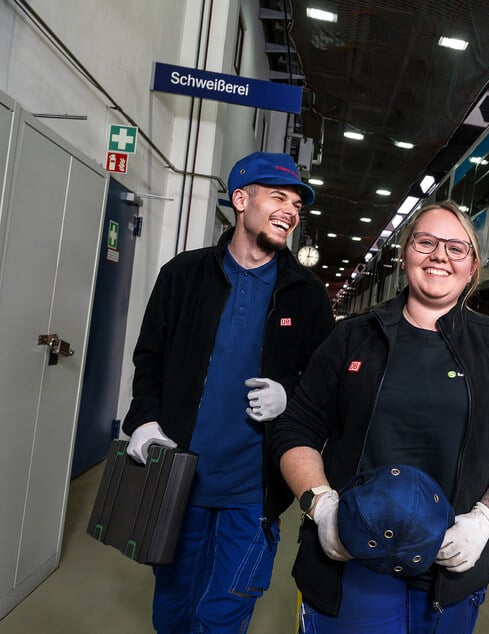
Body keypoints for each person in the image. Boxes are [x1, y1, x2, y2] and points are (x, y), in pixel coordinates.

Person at [269, 201, 489, 633]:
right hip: (351, 564)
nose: (440, 256)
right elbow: (295, 429)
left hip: (451, 572)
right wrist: (321, 507)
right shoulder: (353, 338)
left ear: (472, 267)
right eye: (426, 242)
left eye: (456, 248)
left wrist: (488, 520)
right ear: (405, 256)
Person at [121, 151, 335, 633]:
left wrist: (290, 393)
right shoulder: (184, 275)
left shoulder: (306, 293)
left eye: (297, 203)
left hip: (253, 493)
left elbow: (326, 383)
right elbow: (150, 356)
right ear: (241, 199)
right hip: (180, 481)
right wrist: (144, 420)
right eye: (278, 196)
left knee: (222, 617)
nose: (291, 210)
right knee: (172, 611)